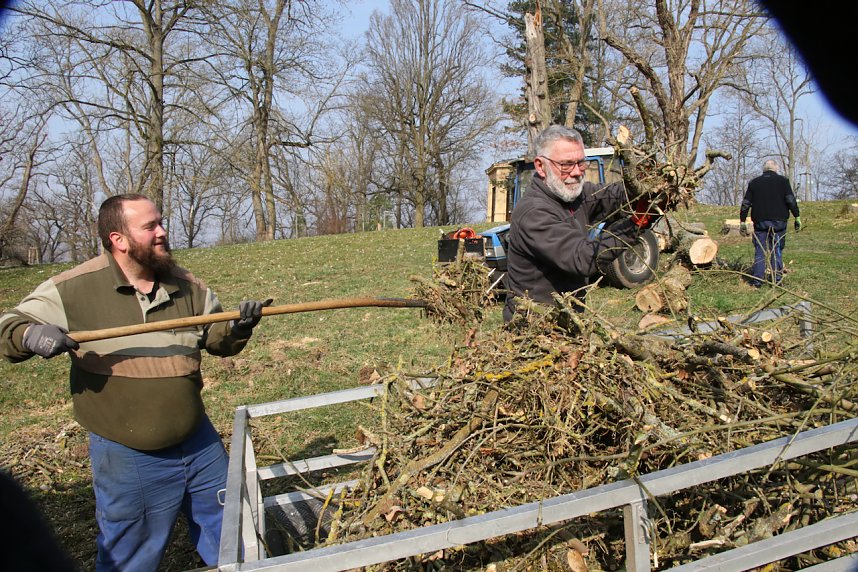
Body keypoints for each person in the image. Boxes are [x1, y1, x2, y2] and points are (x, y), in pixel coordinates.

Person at [0, 194, 269, 571]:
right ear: (119, 239)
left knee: (235, 535)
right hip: (128, 454)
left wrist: (238, 326)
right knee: (129, 556)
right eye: (150, 227)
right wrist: (33, 336)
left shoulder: (188, 287)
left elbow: (216, 339)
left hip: (199, 443)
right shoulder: (75, 289)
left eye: (161, 223)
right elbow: (8, 327)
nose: (162, 232)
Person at [503, 125, 642, 322]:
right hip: (534, 328)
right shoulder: (534, 213)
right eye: (566, 164)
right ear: (541, 166)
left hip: (567, 321)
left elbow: (611, 195)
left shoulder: (571, 196)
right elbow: (582, 259)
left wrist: (645, 189)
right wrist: (636, 223)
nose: (577, 172)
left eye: (581, 163)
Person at [739, 160, 801, 287]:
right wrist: (797, 216)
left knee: (760, 251)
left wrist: (742, 220)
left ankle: (757, 281)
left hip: (760, 222)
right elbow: (790, 200)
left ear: (764, 170)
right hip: (779, 223)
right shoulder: (783, 181)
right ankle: (776, 279)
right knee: (776, 250)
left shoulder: (754, 183)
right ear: (775, 169)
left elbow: (745, 203)